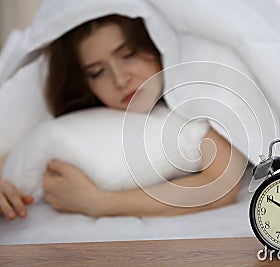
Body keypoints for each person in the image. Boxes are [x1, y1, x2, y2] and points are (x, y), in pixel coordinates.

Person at [0, 15, 247, 220]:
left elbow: (220, 186)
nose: (120, 79)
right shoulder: (85, 120)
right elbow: (19, 157)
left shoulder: (199, 92)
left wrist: (99, 203)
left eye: (128, 54)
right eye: (97, 73)